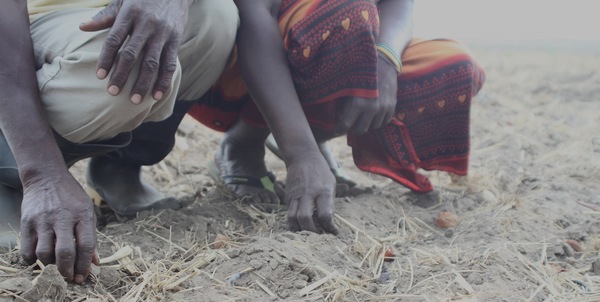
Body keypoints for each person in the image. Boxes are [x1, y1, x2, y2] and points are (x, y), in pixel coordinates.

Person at [188, 0, 485, 233]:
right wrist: (299, 155)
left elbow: (401, 3)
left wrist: (386, 59)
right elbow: (254, 16)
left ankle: (311, 136)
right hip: (241, 67)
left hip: (340, 34)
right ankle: (243, 143)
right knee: (348, 14)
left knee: (455, 67)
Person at [0, 0, 238, 283]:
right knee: (129, 63)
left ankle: (120, 166)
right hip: (30, 24)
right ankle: (13, 176)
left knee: (217, 18)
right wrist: (41, 173)